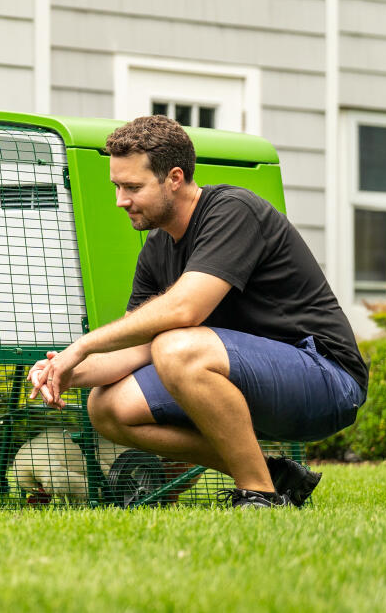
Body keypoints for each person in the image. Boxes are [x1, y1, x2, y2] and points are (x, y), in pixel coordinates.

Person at [28, 115, 367, 508]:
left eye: (132, 187)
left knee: (177, 347)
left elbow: (185, 308)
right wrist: (66, 371)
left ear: (174, 177)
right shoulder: (156, 249)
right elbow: (139, 346)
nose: (121, 200)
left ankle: (259, 495)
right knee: (107, 407)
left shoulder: (233, 210)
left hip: (324, 377)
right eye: (117, 186)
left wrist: (82, 345)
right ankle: (274, 475)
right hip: (247, 378)